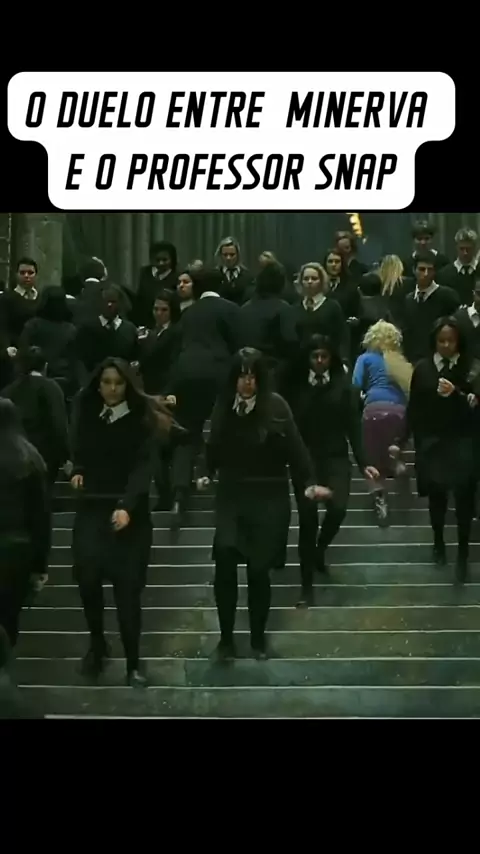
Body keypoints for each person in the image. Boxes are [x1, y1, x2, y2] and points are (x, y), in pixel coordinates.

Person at [197, 348, 330, 660]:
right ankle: (226, 640)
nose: (247, 382)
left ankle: (258, 640)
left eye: (253, 376)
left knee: (258, 570)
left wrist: (309, 482)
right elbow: (211, 446)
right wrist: (205, 472)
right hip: (232, 495)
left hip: (268, 497)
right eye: (242, 376)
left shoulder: (276, 406)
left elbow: (297, 451)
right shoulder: (224, 405)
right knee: (225, 563)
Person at [69, 357, 177, 686]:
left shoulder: (142, 421)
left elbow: (145, 468)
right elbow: (79, 451)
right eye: (106, 382)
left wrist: (127, 506)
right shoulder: (88, 414)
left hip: (132, 514)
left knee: (127, 591)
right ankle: (97, 645)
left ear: (127, 385)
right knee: (87, 580)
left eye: (118, 383)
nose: (112, 389)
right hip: (92, 508)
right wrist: (78, 471)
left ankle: (133, 663)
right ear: (98, 384)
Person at [290, 335, 379, 605]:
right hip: (305, 459)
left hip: (335, 457)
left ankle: (320, 549)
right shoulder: (296, 386)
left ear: (331, 359)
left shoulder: (343, 387)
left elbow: (353, 427)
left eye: (324, 356)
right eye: (314, 356)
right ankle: (306, 587)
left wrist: (364, 462)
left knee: (338, 509)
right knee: (307, 521)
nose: (319, 361)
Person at [406, 317, 480, 582]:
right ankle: (438, 542)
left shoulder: (472, 368)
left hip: (463, 441)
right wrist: (403, 440)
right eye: (441, 341)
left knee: (464, 501)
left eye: (451, 341)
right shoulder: (424, 369)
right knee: (437, 498)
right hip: (433, 442)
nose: (446, 346)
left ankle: (463, 554)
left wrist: (457, 394)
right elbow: (414, 408)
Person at [0, 398, 50, 648]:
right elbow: (40, 517)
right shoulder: (30, 458)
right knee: (9, 618)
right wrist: (40, 565)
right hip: (17, 549)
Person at [352, 321, 413, 524]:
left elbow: (355, 385)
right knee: (393, 447)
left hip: (374, 410)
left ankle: (380, 501)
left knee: (372, 462)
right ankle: (397, 464)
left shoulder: (365, 358)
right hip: (399, 412)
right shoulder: (399, 361)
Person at [2, 346, 70, 489]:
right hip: (45, 459)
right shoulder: (52, 388)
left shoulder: (8, 391)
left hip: (12, 459)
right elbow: (59, 424)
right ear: (45, 366)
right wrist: (66, 457)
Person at [20, 286, 78, 404]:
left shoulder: (33, 326)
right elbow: (75, 360)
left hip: (33, 381)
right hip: (64, 382)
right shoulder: (71, 330)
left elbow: (23, 352)